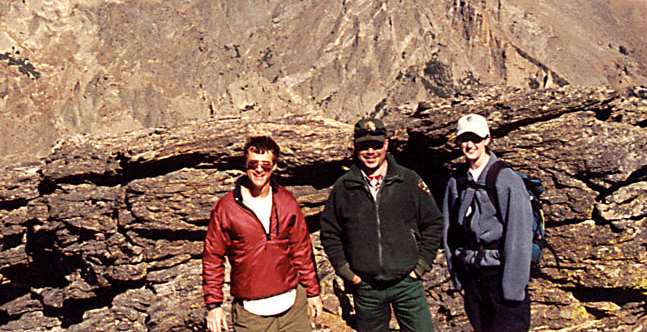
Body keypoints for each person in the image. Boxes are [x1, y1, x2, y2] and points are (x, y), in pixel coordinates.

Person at [319, 118, 442, 332]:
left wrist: (421, 266)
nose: (370, 151)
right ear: (355, 147)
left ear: (386, 145)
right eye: (364, 146)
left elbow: (433, 223)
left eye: (376, 145)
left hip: (407, 283)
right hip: (366, 287)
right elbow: (330, 232)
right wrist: (347, 272)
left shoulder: (408, 180)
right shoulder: (344, 187)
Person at [202, 136, 324, 332]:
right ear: (245, 164)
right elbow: (212, 258)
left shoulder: (287, 202)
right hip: (251, 315)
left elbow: (302, 250)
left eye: (265, 165)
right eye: (253, 164)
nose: (259, 170)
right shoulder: (227, 207)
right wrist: (214, 305)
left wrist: (313, 293)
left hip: (293, 310)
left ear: (274, 166)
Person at [442, 113, 533, 332]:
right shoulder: (457, 181)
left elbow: (519, 235)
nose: (470, 145)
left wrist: (512, 289)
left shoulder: (506, 180)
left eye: (475, 138)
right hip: (472, 276)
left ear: (487, 139)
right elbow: (449, 230)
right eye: (464, 139)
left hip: (500, 276)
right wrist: (457, 273)